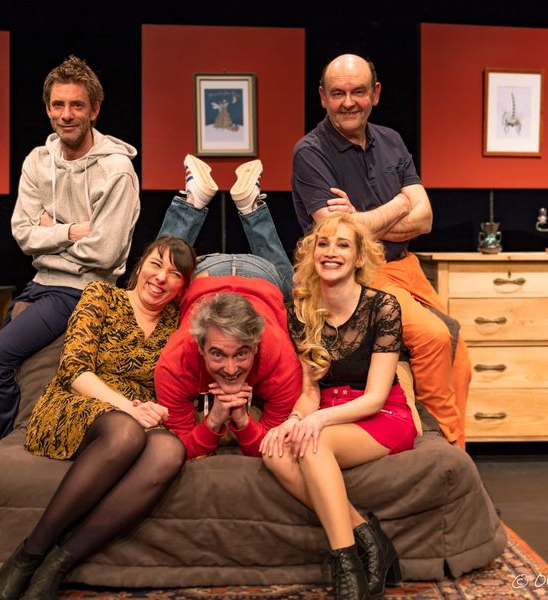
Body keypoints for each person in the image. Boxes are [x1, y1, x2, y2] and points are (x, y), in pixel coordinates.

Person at [0, 236, 197, 600]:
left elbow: (177, 384)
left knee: (169, 451)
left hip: (137, 414)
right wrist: (128, 407)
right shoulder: (101, 296)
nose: (162, 277)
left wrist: (160, 408)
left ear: (182, 286)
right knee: (126, 432)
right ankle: (29, 555)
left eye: (175, 274)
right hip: (76, 402)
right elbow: (75, 370)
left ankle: (58, 563)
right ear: (141, 265)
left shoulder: (177, 325)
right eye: (156, 264)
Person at [291, 53, 471, 448]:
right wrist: (401, 203)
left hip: (407, 267)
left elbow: (425, 220)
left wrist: (362, 218)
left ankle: (453, 448)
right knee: (433, 338)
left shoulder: (391, 140)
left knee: (458, 355)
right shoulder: (311, 152)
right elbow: (338, 233)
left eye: (358, 92)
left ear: (375, 93)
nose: (348, 102)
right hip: (362, 274)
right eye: (338, 93)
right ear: (322, 97)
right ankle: (440, 451)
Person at [0, 55, 141, 454]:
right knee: (4, 366)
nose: (66, 115)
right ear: (47, 108)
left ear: (94, 110)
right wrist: (72, 231)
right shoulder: (37, 162)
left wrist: (49, 232)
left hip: (81, 292)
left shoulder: (116, 170)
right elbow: (23, 234)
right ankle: (16, 446)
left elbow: (105, 252)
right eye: (58, 105)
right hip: (39, 285)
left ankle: (6, 454)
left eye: (76, 105)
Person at [261, 214, 417, 600]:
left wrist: (316, 422)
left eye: (343, 245)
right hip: (330, 411)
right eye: (324, 244)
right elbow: (309, 391)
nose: (331, 252)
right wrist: (295, 419)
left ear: (359, 258)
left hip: (382, 414)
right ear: (312, 253)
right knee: (274, 451)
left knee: (313, 444)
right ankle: (370, 538)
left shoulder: (383, 306)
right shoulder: (301, 310)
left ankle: (346, 565)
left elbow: (375, 397)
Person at [154, 155, 303, 459]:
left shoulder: (281, 362)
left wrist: (242, 420)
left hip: (214, 273)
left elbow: (273, 450)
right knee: (294, 293)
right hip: (253, 274)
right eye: (218, 354)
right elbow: (181, 449)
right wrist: (214, 419)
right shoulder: (174, 363)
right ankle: (248, 205)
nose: (232, 370)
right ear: (199, 346)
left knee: (160, 273)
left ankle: (195, 202)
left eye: (242, 353)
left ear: (257, 344)